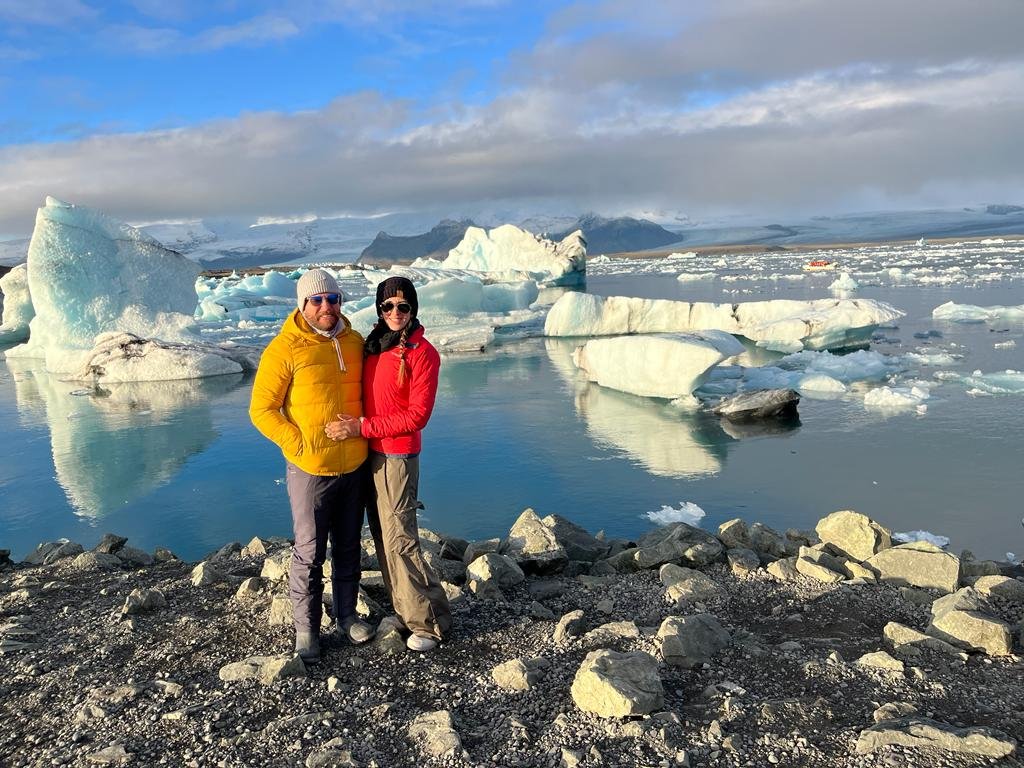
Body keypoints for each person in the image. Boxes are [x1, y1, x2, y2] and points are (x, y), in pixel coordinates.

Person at [249, 268, 375, 664]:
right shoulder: (285, 348)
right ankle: (306, 628)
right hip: (310, 469)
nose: (326, 307)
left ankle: (346, 615)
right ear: (302, 304)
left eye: (333, 299)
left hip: (353, 464)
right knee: (309, 551)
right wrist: (297, 442)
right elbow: (261, 410)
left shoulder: (354, 342)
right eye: (317, 300)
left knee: (350, 545)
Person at [330, 276, 452, 652]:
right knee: (384, 536)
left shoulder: (422, 353)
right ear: (379, 310)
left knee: (400, 537)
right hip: (370, 452)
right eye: (387, 306)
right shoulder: (374, 347)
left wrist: (360, 427)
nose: (395, 313)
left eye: (403, 306)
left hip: (397, 455)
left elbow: (417, 416)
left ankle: (429, 624)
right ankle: (406, 609)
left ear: (413, 309)